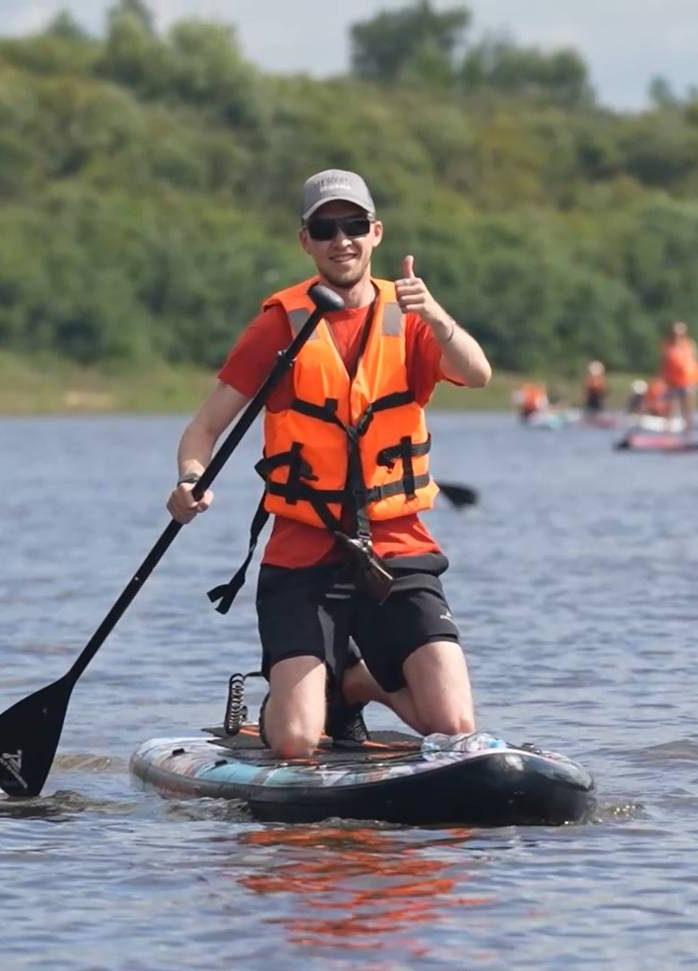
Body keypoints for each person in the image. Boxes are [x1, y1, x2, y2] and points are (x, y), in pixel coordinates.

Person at [167, 168, 493, 760]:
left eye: (353, 226)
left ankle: (359, 681)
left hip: (396, 544)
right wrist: (190, 478)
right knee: (296, 742)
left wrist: (439, 318)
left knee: (454, 725)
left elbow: (477, 373)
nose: (341, 240)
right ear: (306, 241)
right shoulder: (279, 324)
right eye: (325, 228)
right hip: (303, 549)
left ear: (376, 234)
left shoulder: (412, 314)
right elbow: (204, 427)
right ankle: (301, 697)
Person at [658, 321, 698, 435]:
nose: (676, 335)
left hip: (688, 380)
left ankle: (687, 432)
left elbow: (695, 361)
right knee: (670, 407)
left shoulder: (690, 345)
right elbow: (664, 363)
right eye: (674, 333)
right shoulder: (667, 345)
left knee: (687, 408)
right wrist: (662, 377)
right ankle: (667, 433)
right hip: (672, 381)